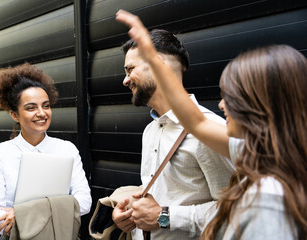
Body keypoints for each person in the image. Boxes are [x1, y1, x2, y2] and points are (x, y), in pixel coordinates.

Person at [116, 10, 307, 239]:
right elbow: (195, 123)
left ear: (258, 107)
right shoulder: (255, 152)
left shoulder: (270, 200)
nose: (221, 104)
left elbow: (225, 210)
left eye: (231, 96)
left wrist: (164, 216)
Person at [111, 27, 235, 239]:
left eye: (130, 69)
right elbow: (168, 192)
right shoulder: (150, 129)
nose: (125, 80)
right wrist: (131, 214)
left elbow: (234, 210)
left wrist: (164, 217)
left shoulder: (211, 131)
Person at [0, 63, 92, 238]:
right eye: (31, 108)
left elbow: (84, 202)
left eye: (46, 106)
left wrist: (21, 213)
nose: (42, 113)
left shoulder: (67, 150)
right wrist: (58, 209)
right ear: (14, 115)